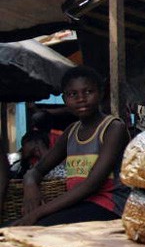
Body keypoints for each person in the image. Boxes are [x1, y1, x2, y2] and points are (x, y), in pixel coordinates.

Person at [8, 66, 130, 227]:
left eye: (88, 92)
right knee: (11, 228)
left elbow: (92, 184)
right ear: (65, 99)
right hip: (79, 205)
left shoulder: (113, 128)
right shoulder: (71, 132)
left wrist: (37, 213)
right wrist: (30, 186)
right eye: (73, 94)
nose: (81, 99)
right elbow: (36, 170)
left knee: (31, 228)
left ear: (100, 94)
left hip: (109, 207)